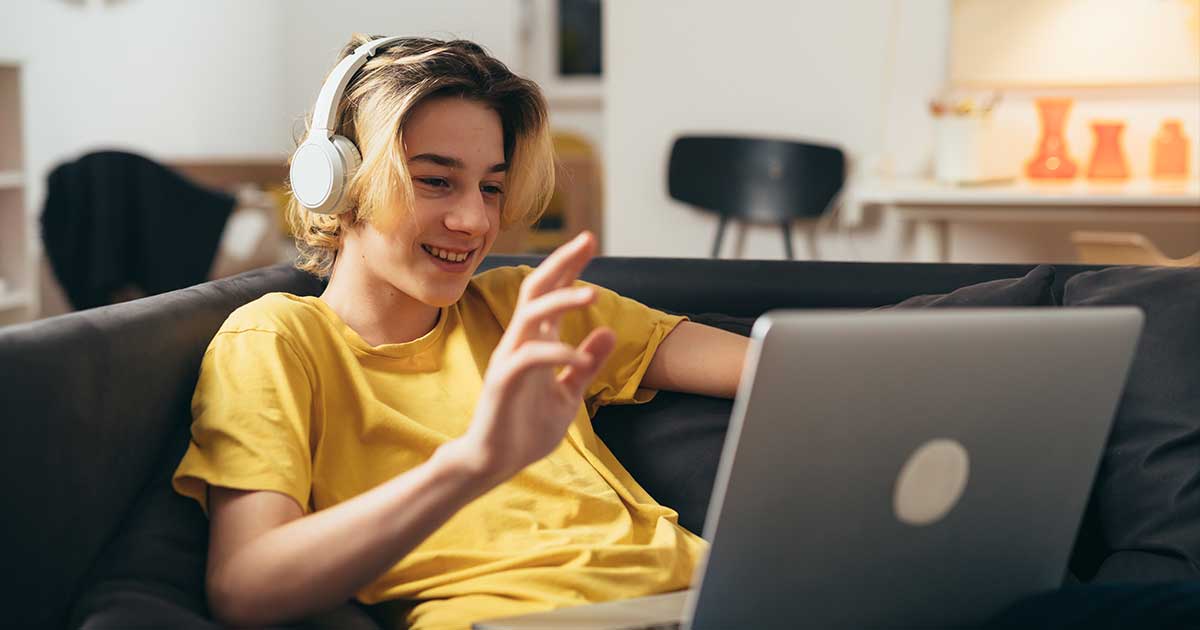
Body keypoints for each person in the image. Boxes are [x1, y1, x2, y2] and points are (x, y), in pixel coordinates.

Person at [172, 35, 748, 630]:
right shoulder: (275, 340)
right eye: (435, 181)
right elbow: (246, 586)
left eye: (491, 187)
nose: (475, 221)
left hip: (711, 600)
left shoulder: (528, 306)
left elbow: (781, 370)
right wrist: (474, 462)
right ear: (338, 183)